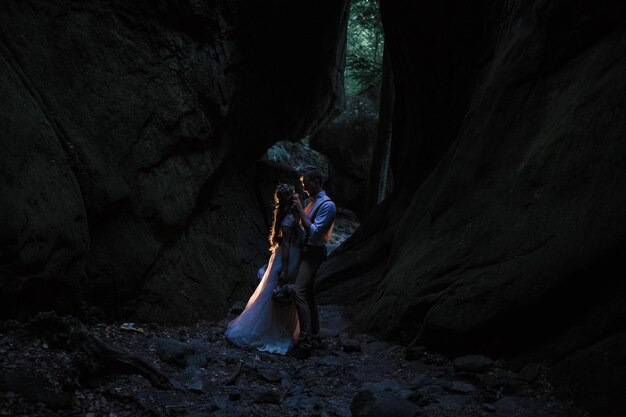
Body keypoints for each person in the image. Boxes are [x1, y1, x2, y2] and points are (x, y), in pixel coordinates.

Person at [224, 184, 303, 354]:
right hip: (287, 260)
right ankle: (270, 332)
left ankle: (284, 328)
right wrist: (285, 269)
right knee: (277, 294)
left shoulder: (291, 215)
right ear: (290, 199)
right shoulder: (289, 220)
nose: (297, 194)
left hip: (290, 258)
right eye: (294, 193)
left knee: (283, 294)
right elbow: (287, 246)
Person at [288, 167, 337, 358]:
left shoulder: (328, 205)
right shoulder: (312, 202)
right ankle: (315, 336)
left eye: (306, 183)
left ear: (316, 182)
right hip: (305, 251)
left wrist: (300, 212)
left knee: (298, 291)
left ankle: (305, 342)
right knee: (308, 294)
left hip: (314, 253)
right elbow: (303, 227)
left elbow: (315, 232)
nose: (304, 187)